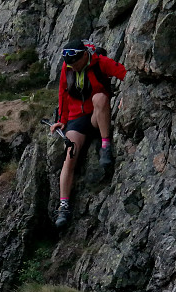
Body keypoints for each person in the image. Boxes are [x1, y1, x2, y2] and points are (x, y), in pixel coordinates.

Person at [49, 39, 127, 228]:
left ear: (85, 55)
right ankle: (64, 206)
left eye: (75, 62)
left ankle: (105, 146)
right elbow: (63, 94)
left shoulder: (101, 62)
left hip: (96, 114)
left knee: (100, 97)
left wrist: (125, 98)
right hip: (76, 119)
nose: (73, 67)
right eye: (70, 64)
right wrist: (62, 120)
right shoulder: (67, 68)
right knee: (70, 156)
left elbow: (125, 74)